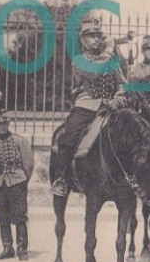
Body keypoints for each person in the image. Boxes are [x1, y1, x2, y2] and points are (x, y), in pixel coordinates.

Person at [49, 14, 131, 198]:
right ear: (83, 40)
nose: (96, 39)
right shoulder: (79, 60)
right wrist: (110, 50)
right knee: (69, 135)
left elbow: (122, 82)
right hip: (86, 106)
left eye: (98, 36)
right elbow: (94, 72)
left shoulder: (111, 60)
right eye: (91, 36)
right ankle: (60, 178)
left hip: (111, 107)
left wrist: (118, 98)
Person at [0, 107, 34, 260]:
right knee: (1, 215)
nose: (2, 127)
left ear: (8, 124)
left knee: (19, 214)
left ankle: (21, 248)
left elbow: (29, 163)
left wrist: (23, 181)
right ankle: (7, 248)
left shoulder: (19, 141)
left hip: (17, 181)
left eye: (4, 124)